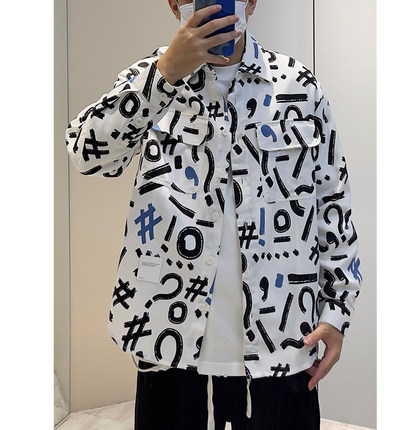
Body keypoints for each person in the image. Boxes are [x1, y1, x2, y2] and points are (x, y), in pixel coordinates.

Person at [65, 0, 363, 429]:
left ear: (252, 1)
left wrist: (337, 312)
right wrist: (165, 73)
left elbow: (333, 201)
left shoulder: (297, 85)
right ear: (175, 4)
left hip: (282, 339)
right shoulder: (148, 78)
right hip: (167, 336)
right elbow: (86, 154)